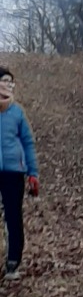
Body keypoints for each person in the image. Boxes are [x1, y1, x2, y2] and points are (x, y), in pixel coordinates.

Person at [0, 66, 39, 278]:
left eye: (10, 82)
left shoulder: (17, 112)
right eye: (5, 81)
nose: (8, 85)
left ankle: (13, 262)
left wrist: (33, 172)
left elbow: (28, 142)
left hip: (14, 173)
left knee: (13, 217)